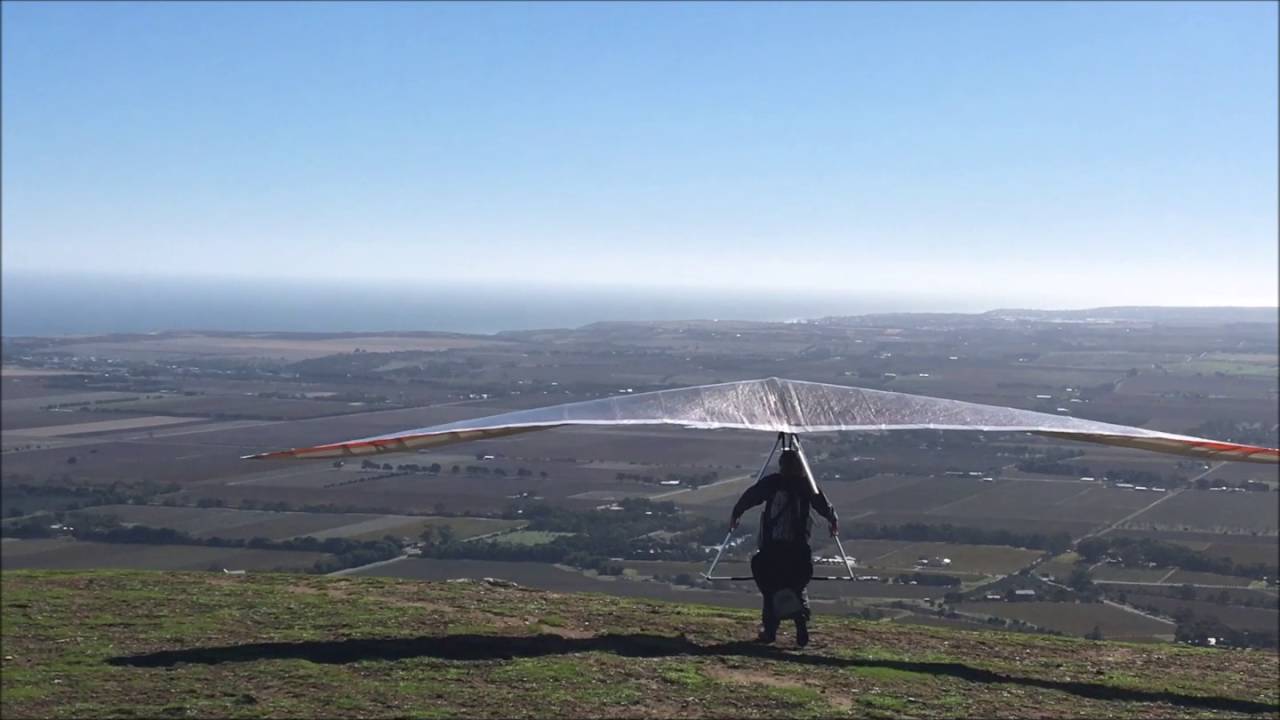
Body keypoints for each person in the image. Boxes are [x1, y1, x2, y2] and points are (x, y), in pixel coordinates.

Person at [729, 449, 838, 648]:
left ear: (781, 466)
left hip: (774, 550)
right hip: (796, 550)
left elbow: (751, 496)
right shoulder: (806, 486)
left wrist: (736, 512)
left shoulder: (773, 483)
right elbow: (822, 504)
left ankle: (771, 631)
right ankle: (799, 625)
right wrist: (832, 519)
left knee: (772, 587)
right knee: (795, 586)